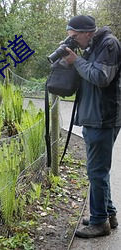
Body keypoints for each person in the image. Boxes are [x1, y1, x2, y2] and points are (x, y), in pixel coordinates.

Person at [63, 15, 121, 238]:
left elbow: (100, 77)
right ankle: (108, 214)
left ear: (87, 32)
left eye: (75, 37)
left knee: (96, 171)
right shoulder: (92, 46)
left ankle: (99, 223)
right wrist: (73, 59)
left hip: (103, 118)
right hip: (93, 117)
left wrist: (76, 61)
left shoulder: (109, 44)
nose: (74, 41)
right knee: (98, 171)